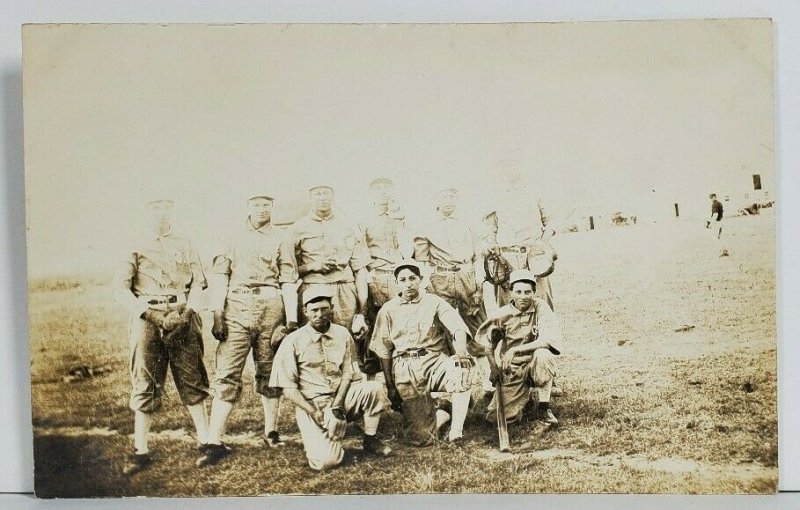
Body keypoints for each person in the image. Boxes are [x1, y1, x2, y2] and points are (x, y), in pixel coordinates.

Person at [196, 194, 300, 467]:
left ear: (272, 207)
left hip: (271, 303)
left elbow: (288, 277)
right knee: (228, 371)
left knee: (269, 369)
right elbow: (220, 275)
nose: (262, 209)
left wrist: (290, 320)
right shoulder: (230, 235)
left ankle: (271, 432)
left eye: (266, 204)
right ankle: (214, 441)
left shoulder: (282, 237)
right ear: (247, 206)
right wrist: (218, 313)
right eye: (256, 204)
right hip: (237, 304)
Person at [114, 198, 210, 475]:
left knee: (192, 376)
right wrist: (155, 316)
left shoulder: (185, 240)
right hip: (148, 315)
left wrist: (187, 311)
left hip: (181, 313)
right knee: (145, 380)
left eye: (166, 206)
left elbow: (199, 282)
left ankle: (206, 442)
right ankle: (140, 450)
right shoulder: (133, 243)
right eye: (154, 207)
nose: (161, 212)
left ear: (172, 210)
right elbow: (120, 289)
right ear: (146, 210)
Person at [270, 286, 393, 471]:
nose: (319, 314)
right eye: (314, 310)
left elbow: (348, 374)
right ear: (305, 311)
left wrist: (337, 407)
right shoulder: (293, 341)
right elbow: (289, 389)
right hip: (313, 405)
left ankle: (370, 439)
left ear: (332, 308)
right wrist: (315, 412)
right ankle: (324, 439)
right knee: (327, 462)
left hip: (341, 398)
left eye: (324, 309)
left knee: (374, 388)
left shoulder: (342, 334)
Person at [370, 260, 476, 446]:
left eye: (412, 278)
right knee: (420, 438)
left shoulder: (434, 302)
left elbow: (457, 328)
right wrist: (390, 386)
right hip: (405, 369)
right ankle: (443, 411)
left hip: (434, 361)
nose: (408, 283)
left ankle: (456, 433)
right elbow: (384, 350)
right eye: (402, 279)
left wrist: (460, 351)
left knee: (462, 369)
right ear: (397, 283)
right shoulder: (388, 309)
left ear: (420, 279)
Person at [413, 187, 493, 393]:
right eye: (443, 196)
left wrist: (477, 286)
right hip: (441, 278)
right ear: (435, 199)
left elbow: (478, 258)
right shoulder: (425, 226)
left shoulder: (469, 223)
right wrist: (428, 286)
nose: (448, 200)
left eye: (452, 196)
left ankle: (488, 379)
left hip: (466, 276)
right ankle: (448, 380)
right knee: (442, 328)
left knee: (477, 325)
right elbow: (421, 260)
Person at [476, 269, 563, 428]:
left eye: (528, 292)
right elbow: (487, 344)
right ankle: (524, 400)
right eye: (519, 292)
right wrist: (494, 368)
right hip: (513, 368)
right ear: (510, 292)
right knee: (495, 419)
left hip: (534, 363)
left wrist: (514, 350)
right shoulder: (501, 315)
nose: (523, 296)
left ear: (534, 292)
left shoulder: (541, 307)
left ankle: (544, 407)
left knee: (543, 355)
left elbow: (547, 341)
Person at [290, 185, 371, 344]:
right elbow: (289, 271)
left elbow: (360, 270)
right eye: (317, 194)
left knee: (347, 339)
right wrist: (313, 266)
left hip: (344, 290)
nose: (322, 198)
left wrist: (362, 311)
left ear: (333, 195)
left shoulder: (349, 225)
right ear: (310, 197)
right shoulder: (297, 228)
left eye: (326, 193)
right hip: (312, 289)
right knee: (312, 342)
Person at [482, 160, 557, 312]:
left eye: (513, 164)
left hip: (533, 255)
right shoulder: (495, 195)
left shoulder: (535, 191)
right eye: (505, 165)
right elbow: (490, 227)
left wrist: (542, 243)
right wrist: (492, 243)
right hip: (507, 257)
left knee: (540, 301)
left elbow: (551, 221)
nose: (509, 169)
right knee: (508, 304)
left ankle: (544, 335)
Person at [359, 177, 413, 373]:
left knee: (404, 324)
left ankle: (405, 374)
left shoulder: (401, 217)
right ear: (372, 193)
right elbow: (361, 254)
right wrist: (370, 282)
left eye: (387, 188)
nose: (383, 192)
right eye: (379, 188)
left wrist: (401, 222)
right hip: (377, 276)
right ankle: (375, 377)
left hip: (399, 277)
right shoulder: (364, 220)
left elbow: (408, 249)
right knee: (377, 328)